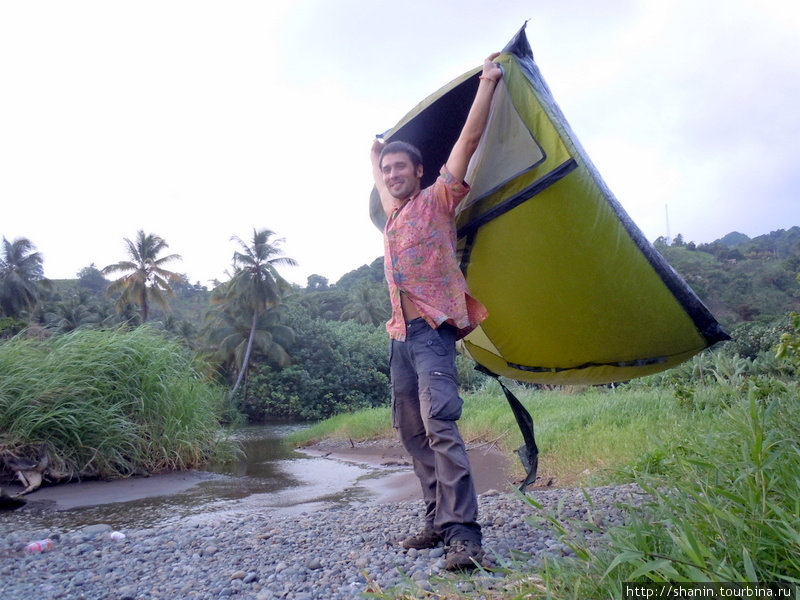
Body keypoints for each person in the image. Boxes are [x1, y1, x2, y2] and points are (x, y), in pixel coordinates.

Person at [370, 52, 502, 571]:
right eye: (387, 171)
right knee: (411, 431)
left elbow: (466, 142)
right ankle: (435, 520)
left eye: (401, 167)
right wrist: (372, 155)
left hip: (432, 333)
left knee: (440, 423)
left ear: (420, 172)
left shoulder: (437, 199)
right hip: (399, 337)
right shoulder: (393, 215)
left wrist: (487, 83)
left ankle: (465, 535)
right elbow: (380, 182)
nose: (393, 175)